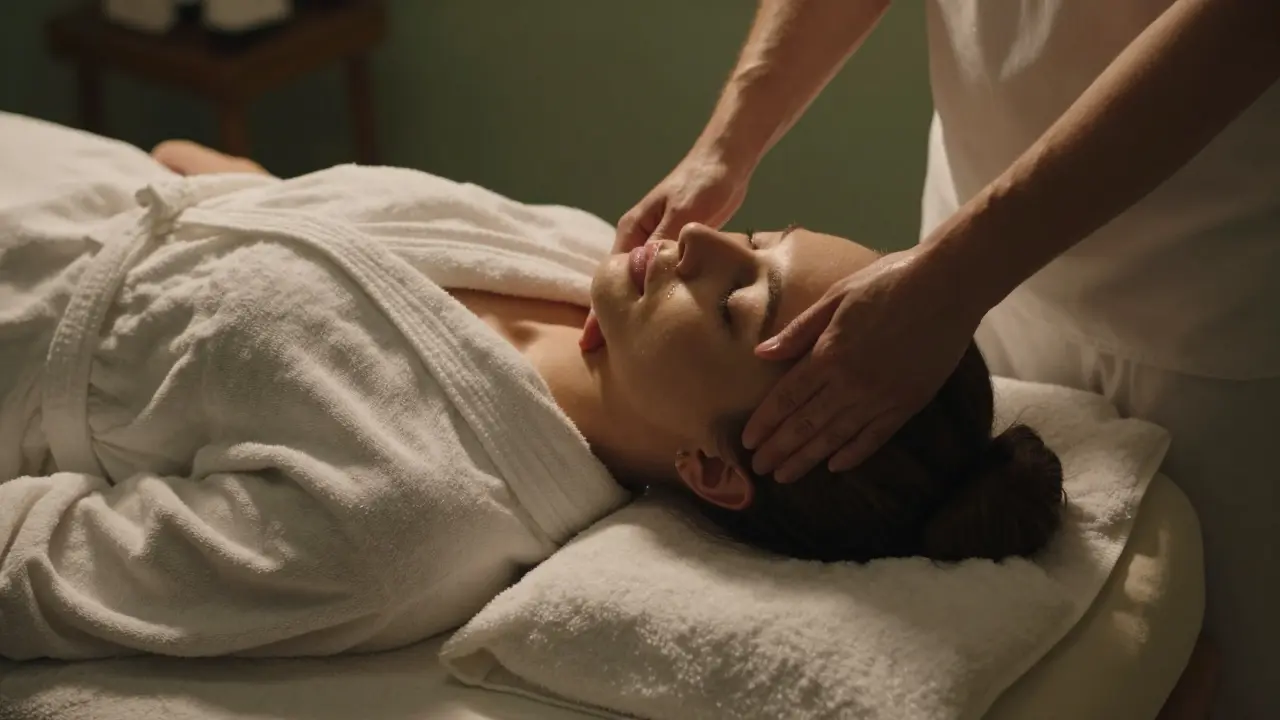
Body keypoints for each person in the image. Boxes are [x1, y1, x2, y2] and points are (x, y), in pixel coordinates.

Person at [0, 117, 1063, 661]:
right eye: (754, 236)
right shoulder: (569, 253)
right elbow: (287, 215)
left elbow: (35, 568)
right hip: (67, 173)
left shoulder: (406, 518)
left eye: (737, 304)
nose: (697, 240)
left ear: (711, 469)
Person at [611, 1, 1279, 715]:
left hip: (1210, 301)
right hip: (960, 252)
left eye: (739, 285)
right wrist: (726, 146)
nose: (698, 239)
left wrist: (962, 273)